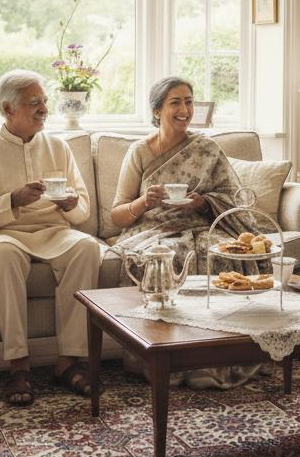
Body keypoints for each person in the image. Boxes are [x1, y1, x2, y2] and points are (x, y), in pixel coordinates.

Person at [0, 70, 102, 406]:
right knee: (5, 255)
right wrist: (11, 201)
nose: (44, 109)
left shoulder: (58, 147)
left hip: (53, 231)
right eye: (35, 103)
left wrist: (72, 204)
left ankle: (68, 362)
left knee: (88, 247)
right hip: (0, 234)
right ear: (8, 109)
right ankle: (18, 365)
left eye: (45, 101)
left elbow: (84, 210)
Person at [111, 77, 263, 388]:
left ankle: (217, 360)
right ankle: (172, 360)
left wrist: (204, 202)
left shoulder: (207, 149)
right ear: (157, 111)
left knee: (220, 254)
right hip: (154, 229)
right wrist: (144, 202)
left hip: (201, 225)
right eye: (175, 103)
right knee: (170, 257)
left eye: (189, 101)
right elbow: (116, 215)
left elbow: (235, 201)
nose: (185, 109)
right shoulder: (139, 152)